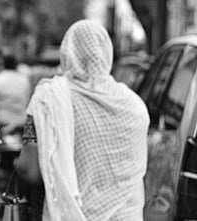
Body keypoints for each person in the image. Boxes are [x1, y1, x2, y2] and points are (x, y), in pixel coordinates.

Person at [15, 20, 150, 220]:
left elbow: (29, 170)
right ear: (107, 54)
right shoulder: (134, 105)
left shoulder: (50, 97)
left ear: (67, 53)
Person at [0, 54, 31, 137]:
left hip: (2, 122)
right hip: (21, 122)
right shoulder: (24, 79)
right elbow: (27, 98)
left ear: (2, 64)